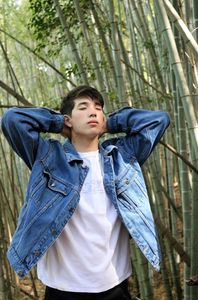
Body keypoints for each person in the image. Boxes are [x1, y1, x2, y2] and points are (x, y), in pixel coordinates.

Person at [1, 85, 170, 300]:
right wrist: (59, 124)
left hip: (115, 285)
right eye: (83, 107)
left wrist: (110, 123)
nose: (93, 112)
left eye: (98, 108)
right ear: (68, 119)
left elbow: (159, 120)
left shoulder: (122, 157)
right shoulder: (49, 158)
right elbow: (12, 120)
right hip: (62, 288)